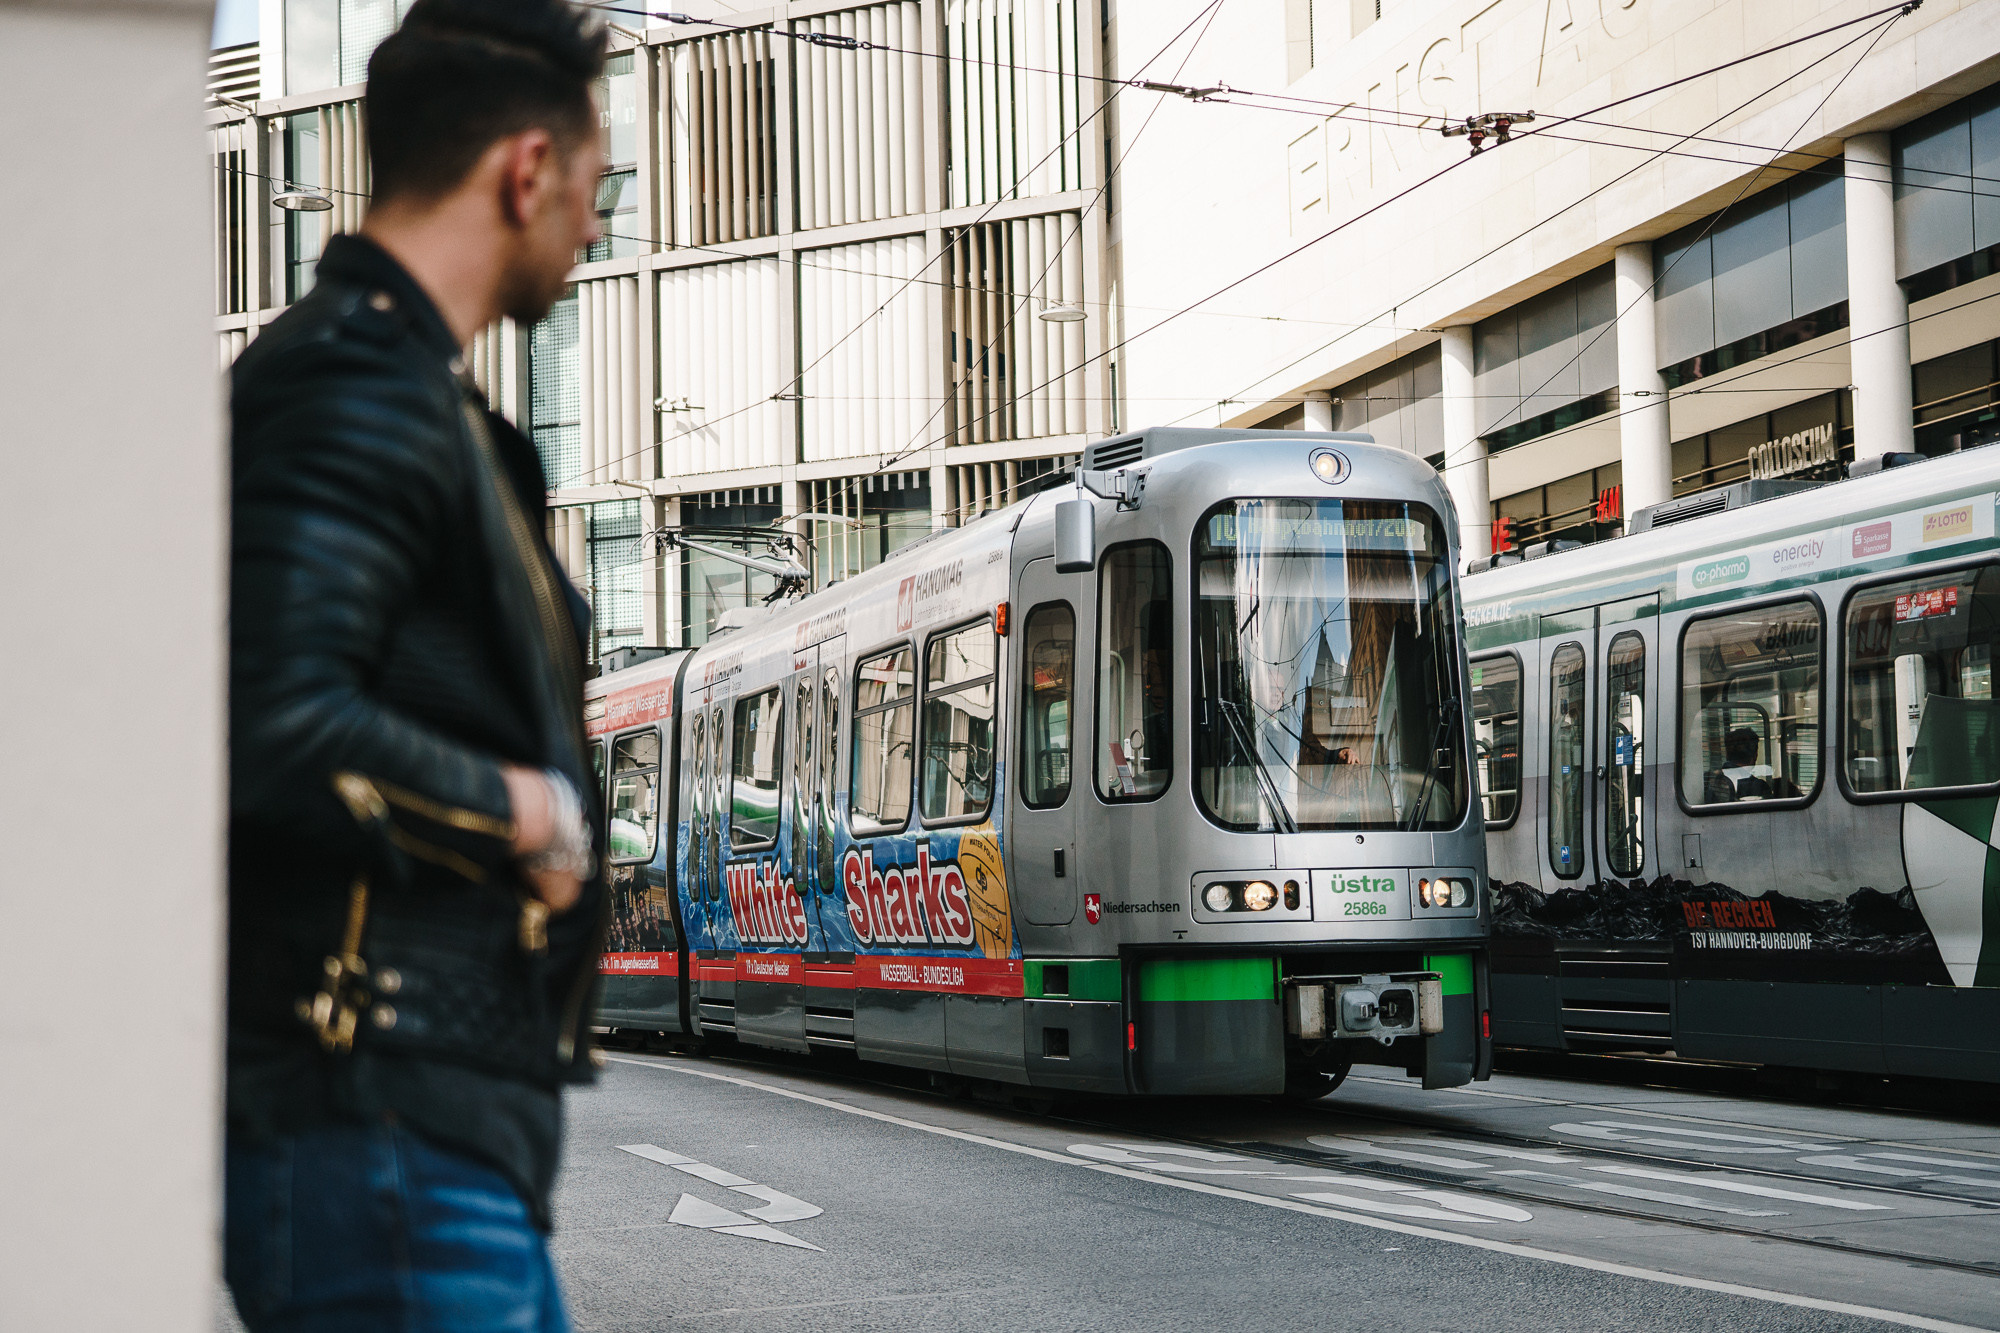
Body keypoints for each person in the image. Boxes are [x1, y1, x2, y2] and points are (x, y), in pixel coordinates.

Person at [224, 4, 608, 1329]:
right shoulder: (354, 387)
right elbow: (274, 725)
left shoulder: (398, 391)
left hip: (422, 1129)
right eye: (596, 186)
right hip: (380, 1121)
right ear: (525, 170)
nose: (596, 226)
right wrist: (530, 809)